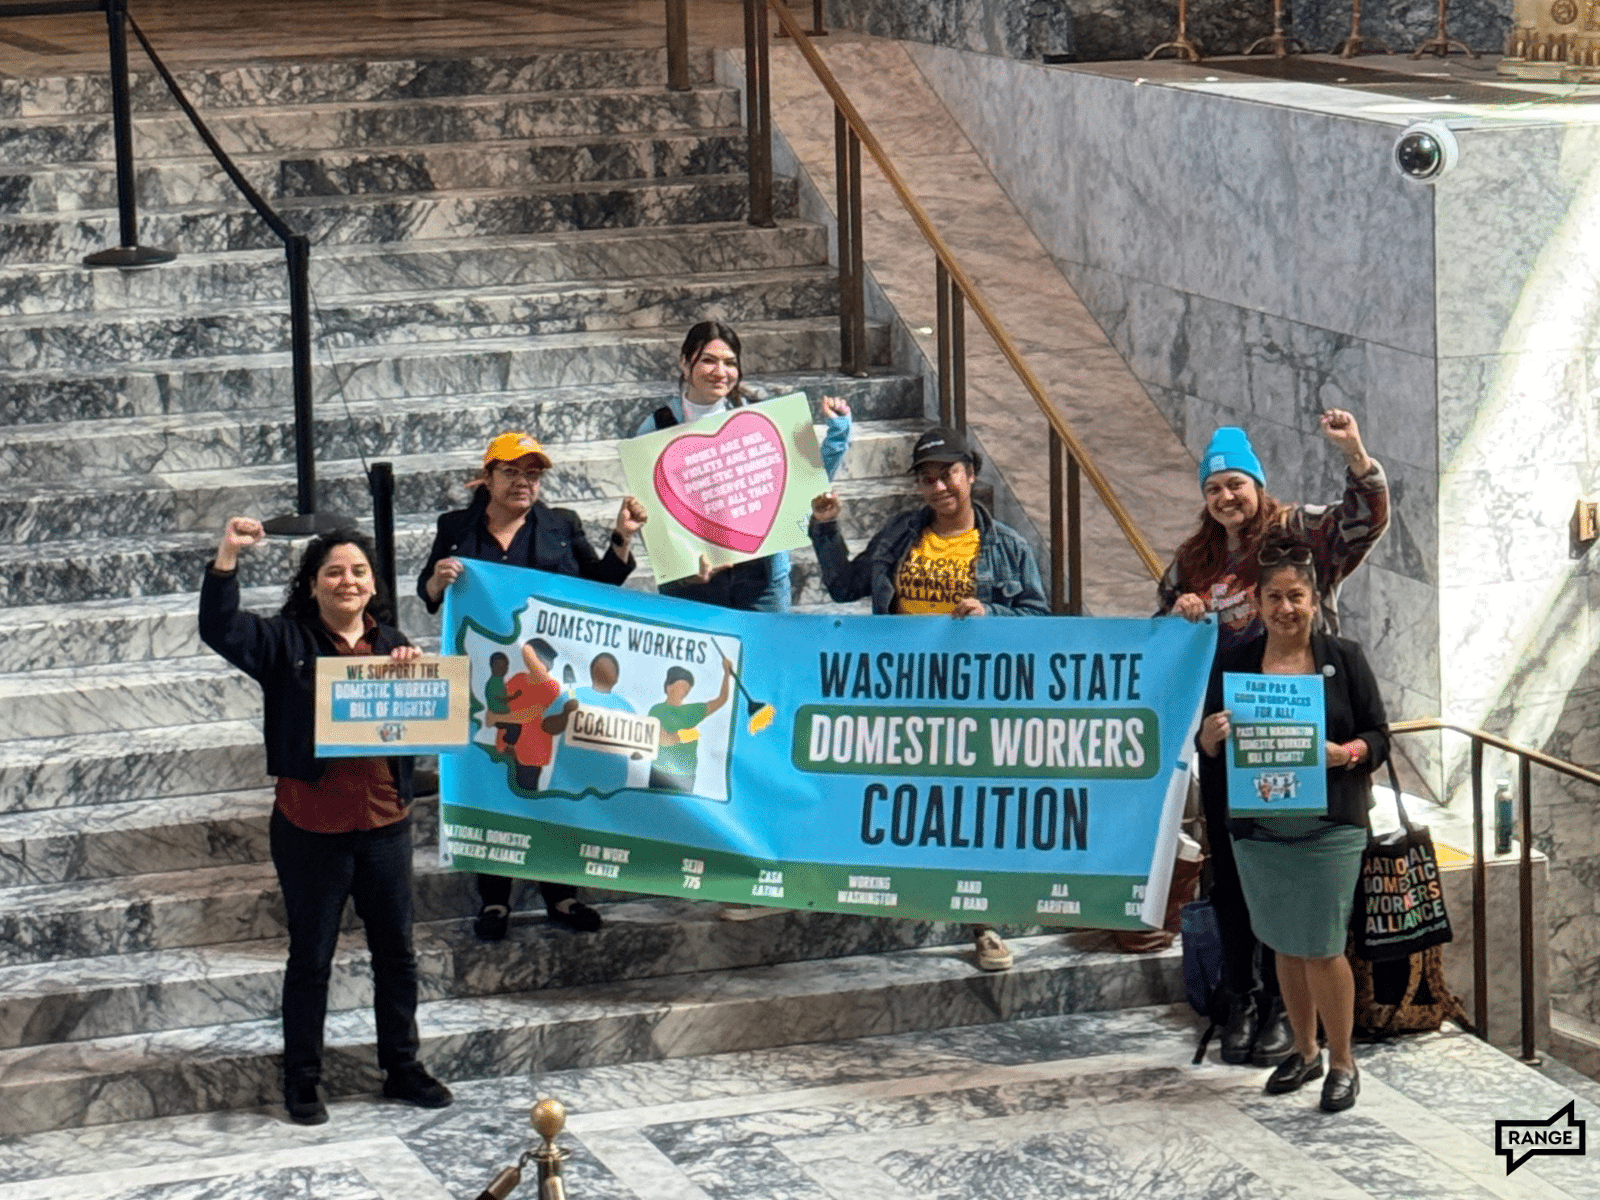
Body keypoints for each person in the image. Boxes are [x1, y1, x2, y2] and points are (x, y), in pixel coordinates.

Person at [199, 517, 451, 1126]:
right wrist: (228, 555)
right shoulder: (284, 642)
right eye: (333, 572)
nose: (347, 581)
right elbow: (219, 628)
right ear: (312, 585)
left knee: (398, 956)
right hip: (310, 828)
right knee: (310, 960)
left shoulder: (394, 644)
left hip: (384, 826)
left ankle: (402, 1068)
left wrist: (415, 672)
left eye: (358, 572)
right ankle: (303, 1080)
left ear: (373, 585)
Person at [1162, 413, 1387, 1067]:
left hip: (1304, 731)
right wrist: (1178, 613)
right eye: (1214, 490)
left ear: (1256, 484)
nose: (1227, 497)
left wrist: (1355, 455)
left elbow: (1362, 520)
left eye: (1236, 483)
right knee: (1234, 876)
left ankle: (1288, 1018)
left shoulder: (1295, 534)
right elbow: (1163, 642)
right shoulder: (1194, 560)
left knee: (1296, 876)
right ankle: (1242, 997)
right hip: (1229, 736)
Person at [810, 425, 1051, 972]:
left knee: (964, 807)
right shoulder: (900, 535)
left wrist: (993, 614)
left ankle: (983, 925)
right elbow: (845, 585)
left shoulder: (1007, 547)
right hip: (901, 692)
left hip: (971, 700)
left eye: (948, 473)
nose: (938, 486)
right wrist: (825, 529)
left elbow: (1039, 620)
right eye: (927, 477)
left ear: (970, 475)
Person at [417, 430, 648, 943]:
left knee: (555, 777)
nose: (524, 483)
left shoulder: (560, 525)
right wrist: (437, 579)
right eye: (513, 472)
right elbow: (428, 592)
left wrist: (623, 536)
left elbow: (600, 582)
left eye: (533, 474)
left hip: (551, 685)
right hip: (486, 685)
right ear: (489, 476)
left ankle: (561, 892)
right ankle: (494, 899)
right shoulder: (455, 527)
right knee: (490, 775)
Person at [1197, 533, 1388, 1113]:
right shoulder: (1234, 664)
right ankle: (1303, 1052)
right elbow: (1207, 740)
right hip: (1261, 827)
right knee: (1283, 939)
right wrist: (1210, 738)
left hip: (1331, 824)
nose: (1286, 608)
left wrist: (1346, 754)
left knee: (1323, 944)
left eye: (1297, 596)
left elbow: (1379, 737)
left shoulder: (1345, 658)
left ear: (1314, 598)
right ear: (1256, 601)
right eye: (1275, 597)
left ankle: (1343, 1062)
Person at [636, 320, 853, 611]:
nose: (720, 372)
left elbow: (804, 487)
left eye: (730, 363)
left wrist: (838, 434)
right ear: (685, 364)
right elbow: (649, 516)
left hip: (762, 579)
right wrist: (685, 561)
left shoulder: (760, 417)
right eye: (708, 361)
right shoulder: (656, 427)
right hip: (691, 586)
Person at [542, 652, 638, 796]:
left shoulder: (626, 708)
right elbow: (547, 727)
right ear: (592, 672)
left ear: (617, 678)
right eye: (600, 668)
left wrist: (639, 750)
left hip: (609, 794)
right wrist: (566, 715)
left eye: (610, 670)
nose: (605, 672)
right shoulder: (572, 697)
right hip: (566, 789)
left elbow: (636, 752)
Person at [648, 661, 735, 793]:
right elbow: (663, 740)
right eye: (680, 688)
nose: (683, 692)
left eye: (686, 689)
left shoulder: (692, 710)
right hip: (660, 774)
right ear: (669, 687)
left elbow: (722, 699)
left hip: (685, 778)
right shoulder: (657, 710)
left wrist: (727, 674)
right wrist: (688, 735)